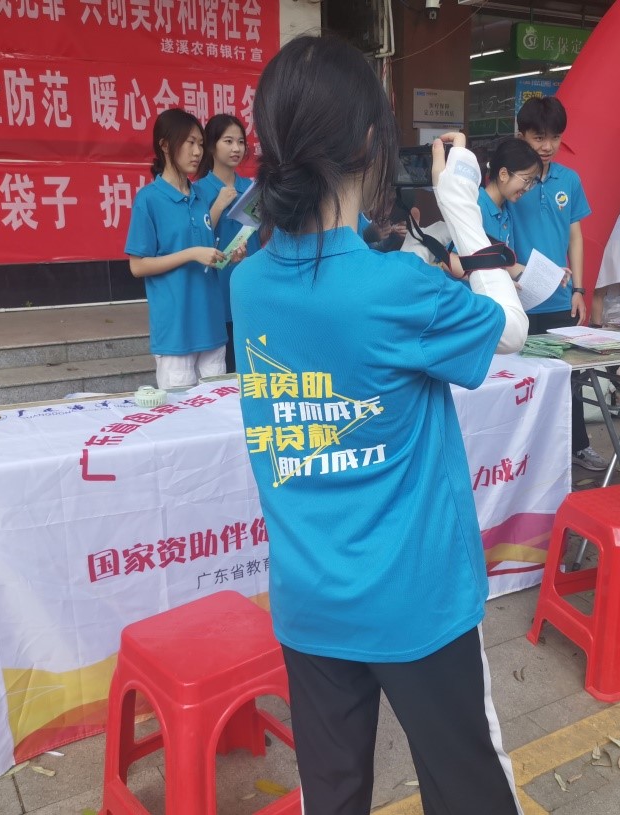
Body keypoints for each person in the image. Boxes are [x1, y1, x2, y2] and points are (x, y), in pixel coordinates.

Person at [232, 35, 527, 815]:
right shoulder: (394, 285)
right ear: (370, 142)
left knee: (331, 797)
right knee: (469, 791)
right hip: (418, 597)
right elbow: (510, 326)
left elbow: (320, 278)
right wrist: (461, 207)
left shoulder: (248, 285)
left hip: (310, 599)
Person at [509, 96, 607, 471]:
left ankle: (578, 445)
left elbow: (575, 237)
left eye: (554, 137)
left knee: (569, 377)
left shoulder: (569, 180)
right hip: (518, 298)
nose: (547, 146)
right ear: (522, 135)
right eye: (539, 137)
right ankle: (524, 454)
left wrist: (579, 289)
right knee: (521, 379)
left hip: (560, 298)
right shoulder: (509, 179)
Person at [125, 109, 242, 389]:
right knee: (181, 411)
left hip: (212, 325)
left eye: (200, 144)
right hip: (176, 331)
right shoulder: (149, 199)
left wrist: (228, 257)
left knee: (219, 407)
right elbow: (137, 266)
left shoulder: (201, 195)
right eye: (190, 143)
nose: (198, 152)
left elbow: (206, 254)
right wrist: (192, 254)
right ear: (165, 145)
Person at [194, 113, 260, 374]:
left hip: (249, 284)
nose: (236, 148)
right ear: (211, 146)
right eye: (228, 141)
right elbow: (197, 237)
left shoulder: (251, 188)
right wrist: (219, 205)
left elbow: (261, 233)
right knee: (226, 370)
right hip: (217, 289)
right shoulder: (199, 190)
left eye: (241, 142)